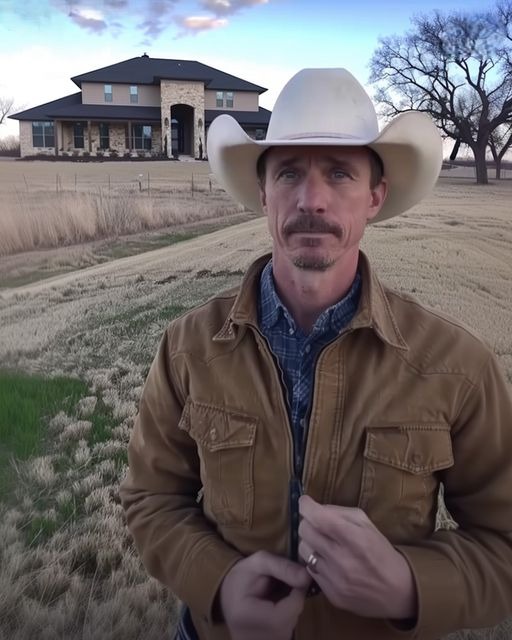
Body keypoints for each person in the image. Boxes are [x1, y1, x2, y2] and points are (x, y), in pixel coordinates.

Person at [119, 68, 512, 640]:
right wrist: (221, 584)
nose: (311, 200)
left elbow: (503, 543)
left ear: (375, 196)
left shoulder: (457, 367)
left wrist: (408, 585)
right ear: (263, 193)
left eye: (339, 173)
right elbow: (151, 497)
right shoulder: (187, 349)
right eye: (289, 173)